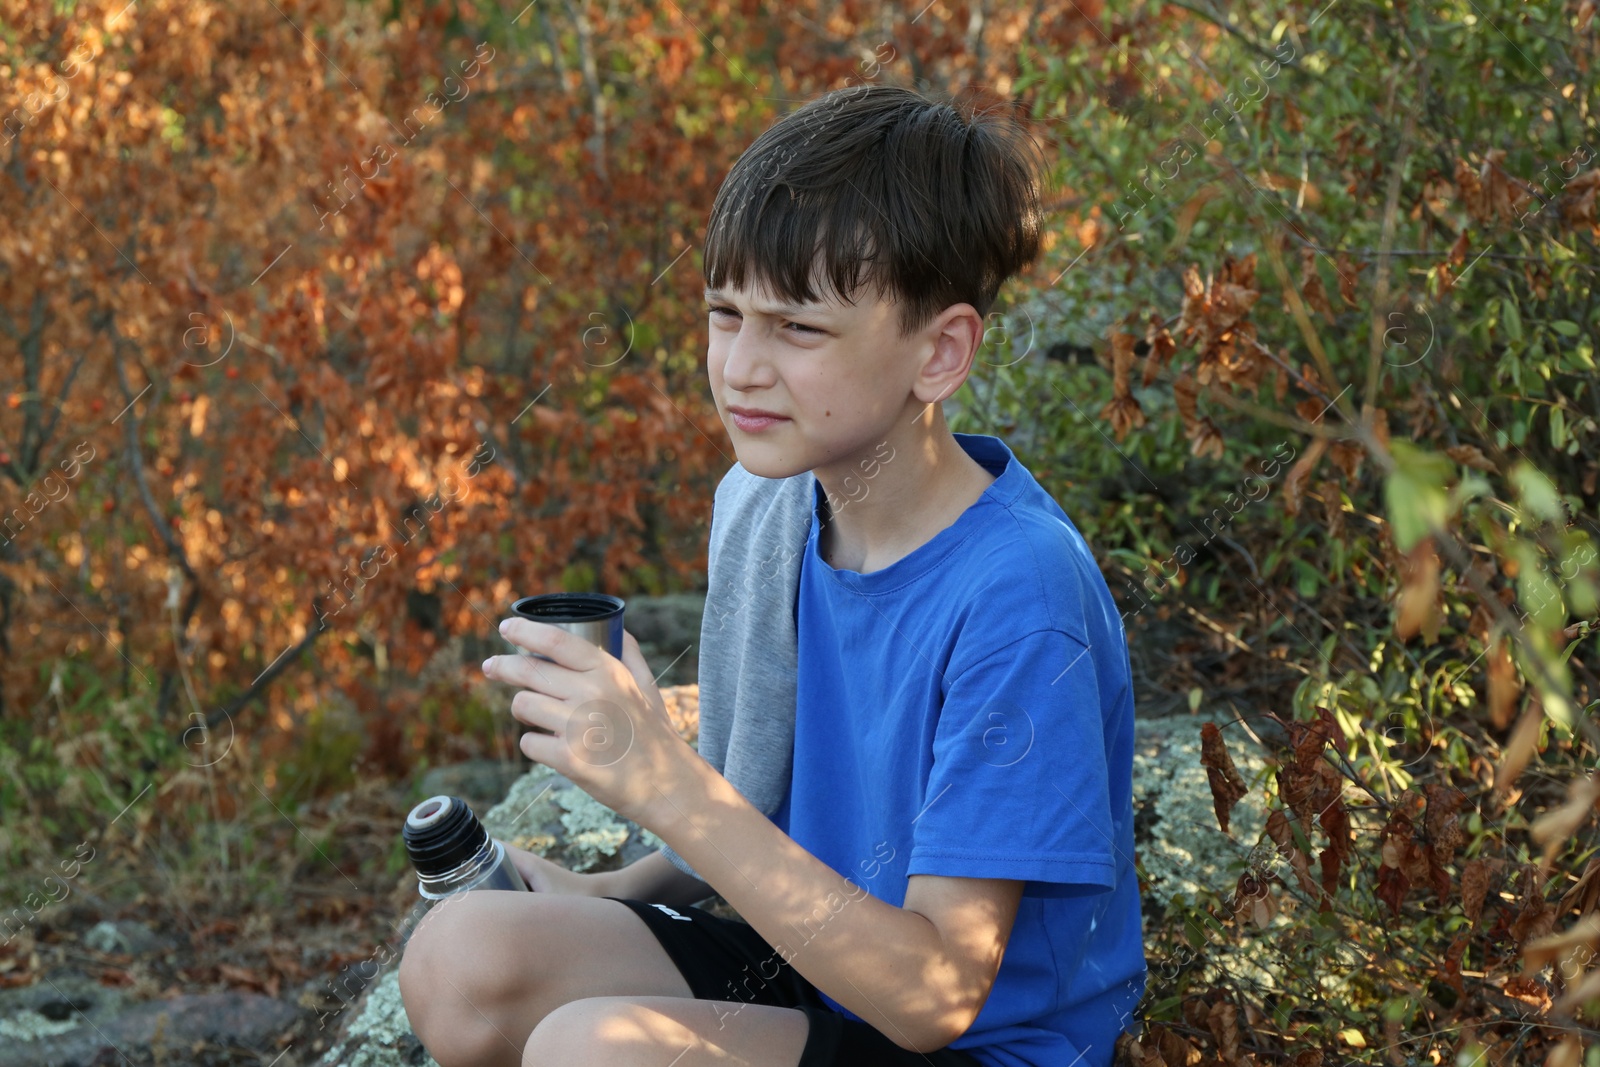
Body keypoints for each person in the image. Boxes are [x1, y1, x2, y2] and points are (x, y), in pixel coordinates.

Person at [399, 83, 1146, 1067]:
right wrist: (615, 891)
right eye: (724, 312)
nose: (741, 367)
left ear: (940, 351)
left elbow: (933, 997)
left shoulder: (1016, 597)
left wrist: (660, 777)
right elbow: (766, 813)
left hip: (968, 1042)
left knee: (599, 1049)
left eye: (797, 329)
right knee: (462, 955)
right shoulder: (766, 506)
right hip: (807, 967)